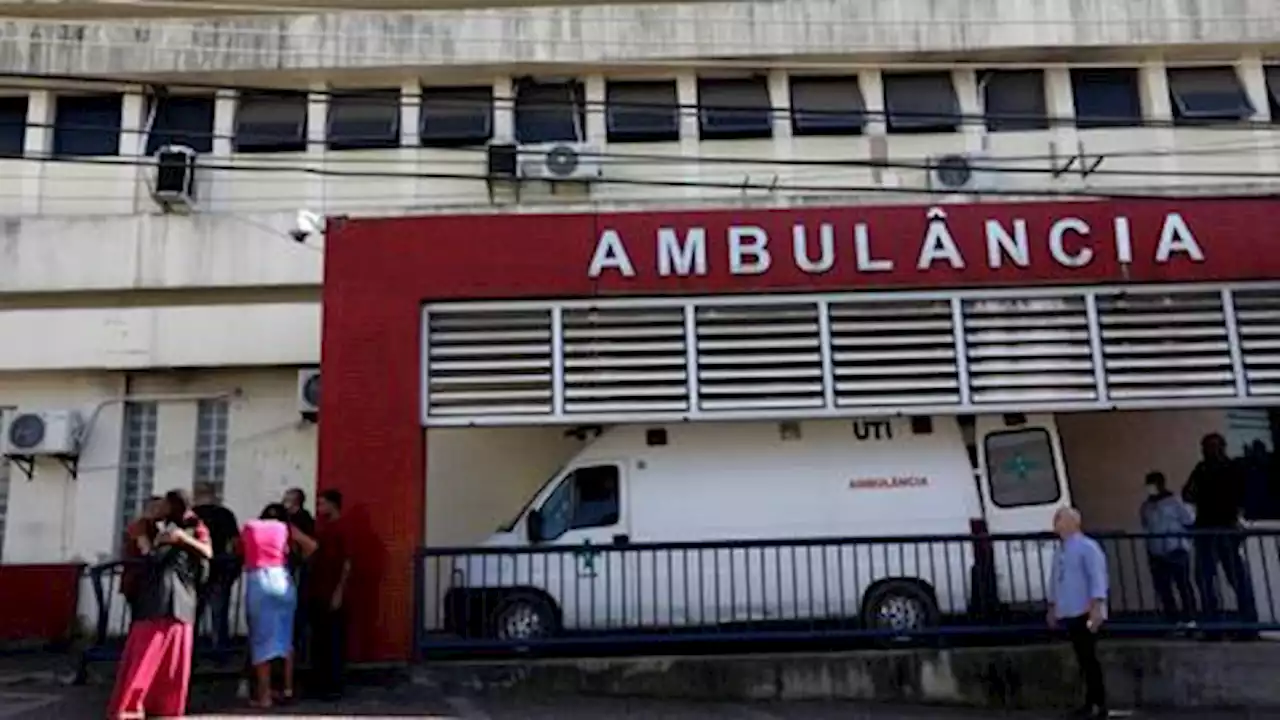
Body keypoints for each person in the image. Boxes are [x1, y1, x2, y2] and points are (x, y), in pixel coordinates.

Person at [107, 489, 212, 720]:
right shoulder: (192, 528)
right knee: (167, 654)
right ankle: (158, 705)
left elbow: (155, 559)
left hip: (164, 596)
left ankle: (137, 704)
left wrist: (153, 542)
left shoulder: (176, 530)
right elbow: (204, 557)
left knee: (151, 652)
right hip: (178, 597)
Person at [240, 503, 317, 710]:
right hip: (283, 579)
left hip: (259, 580)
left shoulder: (250, 527)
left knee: (260, 640)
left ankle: (264, 696)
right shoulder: (286, 528)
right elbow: (312, 546)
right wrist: (298, 559)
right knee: (285, 638)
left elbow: (239, 550)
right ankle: (287, 689)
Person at [1182, 433, 1259, 634]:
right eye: (1205, 447)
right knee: (1211, 578)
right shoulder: (1206, 468)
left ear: (1220, 447)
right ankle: (1222, 625)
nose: (1206, 451)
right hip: (1212, 528)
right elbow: (1187, 494)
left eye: (1209, 447)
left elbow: (1244, 496)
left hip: (1220, 528)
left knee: (1226, 577)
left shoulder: (1226, 468)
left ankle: (1239, 624)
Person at [1047, 506, 1109, 720]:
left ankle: (1098, 703)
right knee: (1083, 657)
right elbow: (1056, 580)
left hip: (1085, 610)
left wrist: (1096, 607)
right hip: (1071, 611)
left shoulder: (1087, 547)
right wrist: (1053, 606)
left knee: (1090, 657)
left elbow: (1097, 578)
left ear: (1073, 522)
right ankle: (1090, 701)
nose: (1056, 523)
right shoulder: (1061, 550)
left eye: (1060, 519)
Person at [307, 489, 351, 700]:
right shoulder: (323, 527)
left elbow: (347, 563)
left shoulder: (342, 528)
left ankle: (333, 685)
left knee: (333, 640)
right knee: (320, 639)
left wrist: (339, 591)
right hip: (319, 589)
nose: (319, 507)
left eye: (322, 503)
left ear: (333, 504)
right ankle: (320, 683)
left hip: (331, 590)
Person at [1139, 471, 1197, 628]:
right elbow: (1145, 524)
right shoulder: (1147, 506)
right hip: (1156, 552)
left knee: (1183, 585)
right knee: (1164, 588)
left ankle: (1190, 619)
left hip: (1175, 549)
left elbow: (1189, 520)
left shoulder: (1175, 502)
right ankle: (1172, 620)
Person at [192, 482, 240, 656]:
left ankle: (190, 653)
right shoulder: (225, 514)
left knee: (192, 613)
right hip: (220, 568)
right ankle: (219, 652)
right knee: (219, 613)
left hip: (194, 570)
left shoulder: (191, 515)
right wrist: (233, 566)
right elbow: (234, 542)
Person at [119, 496, 164, 614]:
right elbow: (146, 549)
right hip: (138, 580)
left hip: (149, 580)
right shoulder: (140, 525)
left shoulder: (155, 527)